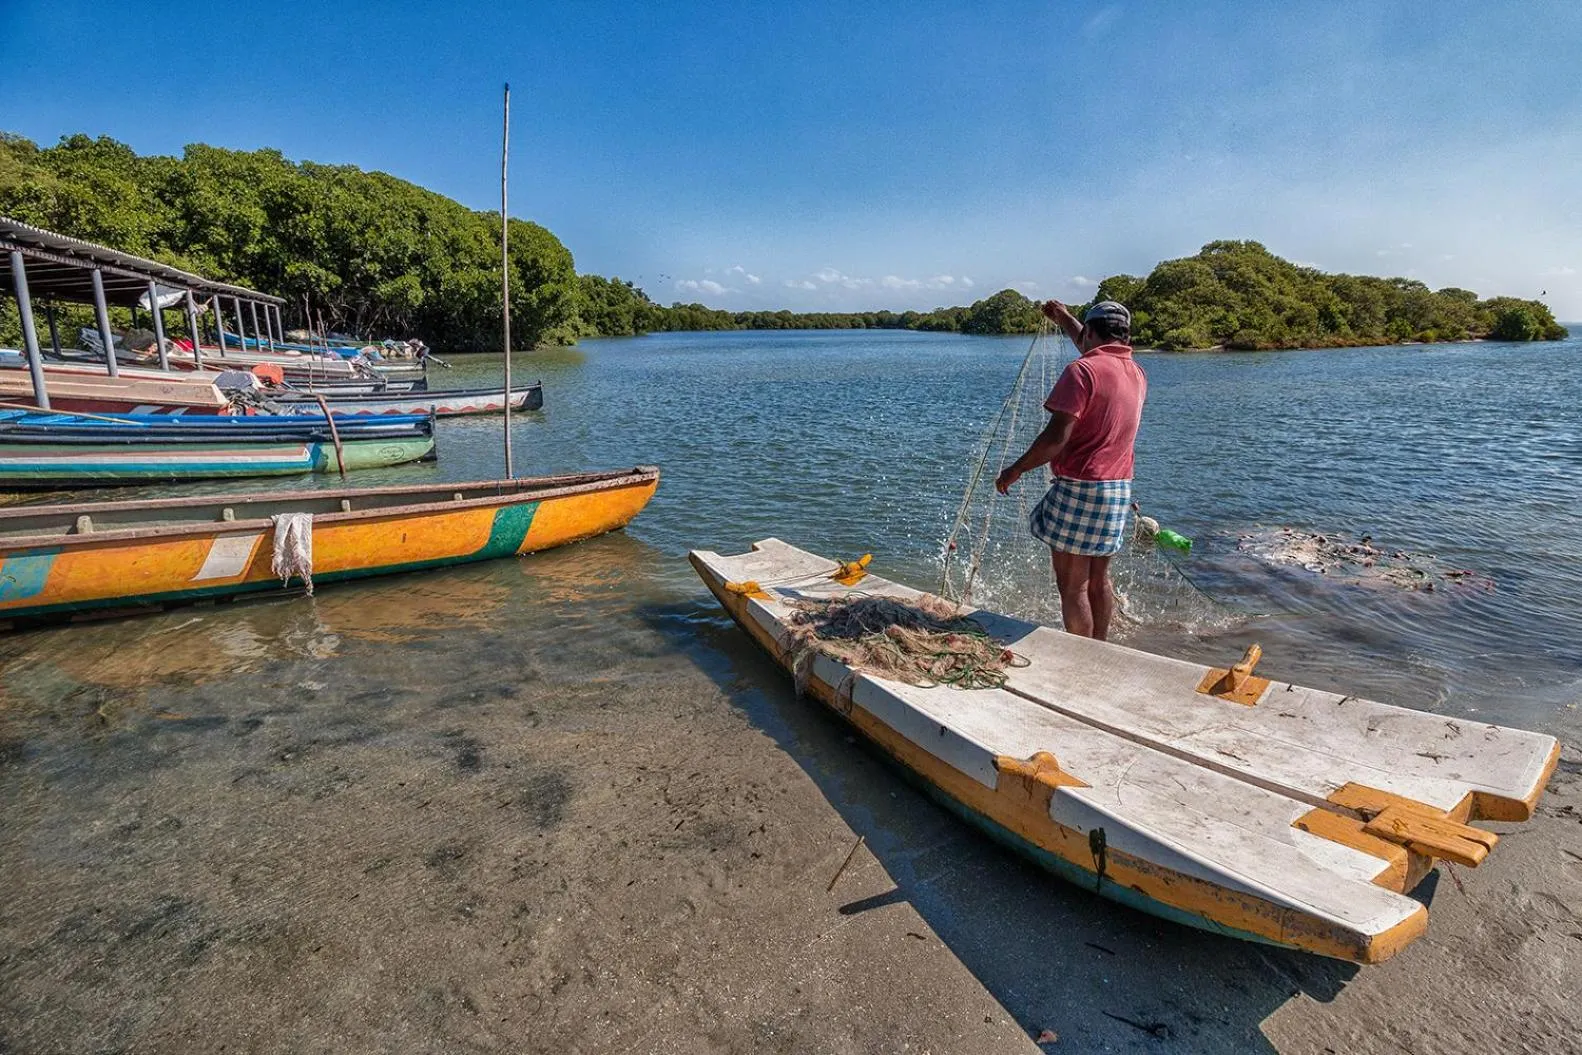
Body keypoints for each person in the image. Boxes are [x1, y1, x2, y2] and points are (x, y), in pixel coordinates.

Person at [995, 299, 1147, 641]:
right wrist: (1064, 318)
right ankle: (1100, 647)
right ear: (1125, 335)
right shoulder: (1136, 373)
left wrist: (1016, 469)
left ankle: (1082, 653)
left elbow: (1055, 438)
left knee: (1072, 583)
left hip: (1082, 486)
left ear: (1091, 332)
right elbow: (1093, 348)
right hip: (1118, 488)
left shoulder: (1082, 371)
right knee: (1099, 580)